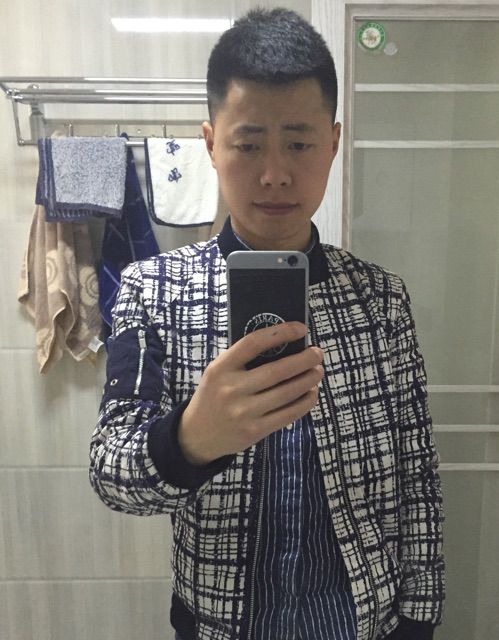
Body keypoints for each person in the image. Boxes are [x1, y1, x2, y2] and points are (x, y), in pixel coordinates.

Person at [89, 7, 444, 640]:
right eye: (249, 144)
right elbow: (111, 472)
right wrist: (191, 440)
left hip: (363, 620)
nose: (275, 173)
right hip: (221, 623)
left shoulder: (380, 299)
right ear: (210, 143)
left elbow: (416, 477)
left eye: (299, 144)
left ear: (333, 142)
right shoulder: (154, 289)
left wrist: (419, 622)